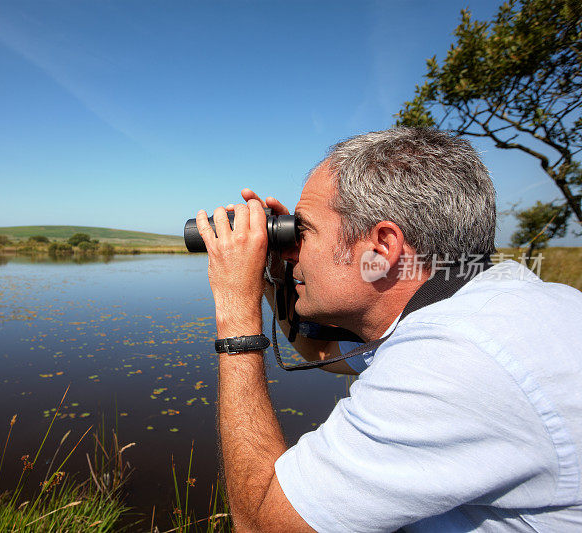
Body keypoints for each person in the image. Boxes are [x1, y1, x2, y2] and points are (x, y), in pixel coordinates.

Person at [194, 128, 582, 532]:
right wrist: (272, 280)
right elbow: (322, 354)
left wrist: (235, 308)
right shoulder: (493, 303)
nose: (291, 249)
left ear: (381, 247)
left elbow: (261, 524)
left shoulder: (452, 361)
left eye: (302, 231)